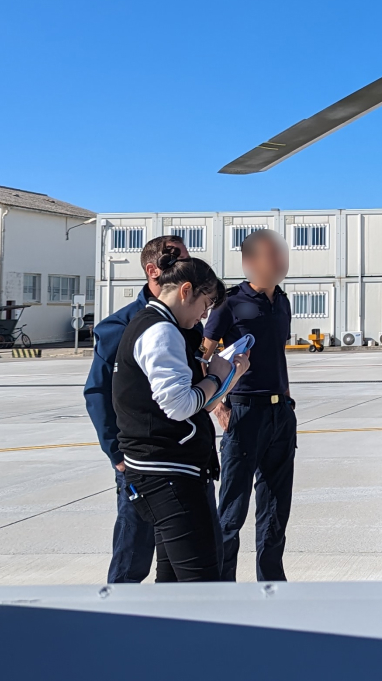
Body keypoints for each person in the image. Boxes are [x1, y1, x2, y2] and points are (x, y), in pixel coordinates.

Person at [113, 253, 248, 582]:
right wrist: (217, 377)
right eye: (206, 303)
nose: (205, 314)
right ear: (186, 290)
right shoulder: (161, 332)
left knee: (173, 581)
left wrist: (227, 378)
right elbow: (178, 405)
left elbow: (182, 402)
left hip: (164, 469)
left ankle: (169, 631)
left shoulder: (154, 324)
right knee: (201, 582)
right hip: (166, 473)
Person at [83, 234, 189, 584]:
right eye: (179, 261)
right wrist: (116, 453)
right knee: (134, 552)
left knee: (180, 556)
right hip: (139, 460)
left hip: (181, 456)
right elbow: (97, 392)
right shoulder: (119, 327)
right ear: (152, 269)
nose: (187, 268)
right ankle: (116, 622)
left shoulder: (187, 321)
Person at [202, 229, 297, 582]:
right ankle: (222, 586)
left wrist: (286, 401)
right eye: (272, 255)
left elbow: (276, 356)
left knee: (276, 509)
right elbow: (203, 356)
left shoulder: (282, 301)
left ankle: (271, 584)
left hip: (280, 415)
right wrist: (217, 407)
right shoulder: (229, 303)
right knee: (232, 510)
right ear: (250, 261)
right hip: (243, 414)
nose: (280, 261)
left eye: (281, 254)